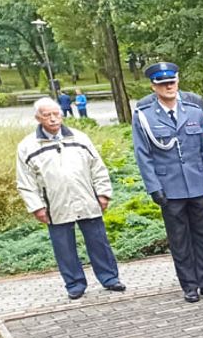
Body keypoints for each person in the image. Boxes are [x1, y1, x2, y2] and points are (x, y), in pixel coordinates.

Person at [131, 62, 203, 303]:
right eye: (163, 83)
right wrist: (154, 187)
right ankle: (189, 285)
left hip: (198, 184)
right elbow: (143, 155)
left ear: (178, 81)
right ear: (154, 86)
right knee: (180, 239)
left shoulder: (193, 111)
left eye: (172, 81)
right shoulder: (144, 116)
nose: (169, 86)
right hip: (169, 188)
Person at [15, 97, 125, 300]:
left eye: (56, 114)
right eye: (47, 115)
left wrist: (103, 193)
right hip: (54, 204)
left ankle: (110, 278)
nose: (53, 119)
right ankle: (74, 284)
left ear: (62, 114)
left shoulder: (80, 138)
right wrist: (37, 207)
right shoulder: (27, 146)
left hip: (86, 198)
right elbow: (25, 181)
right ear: (38, 118)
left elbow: (98, 167)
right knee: (64, 247)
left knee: (98, 241)